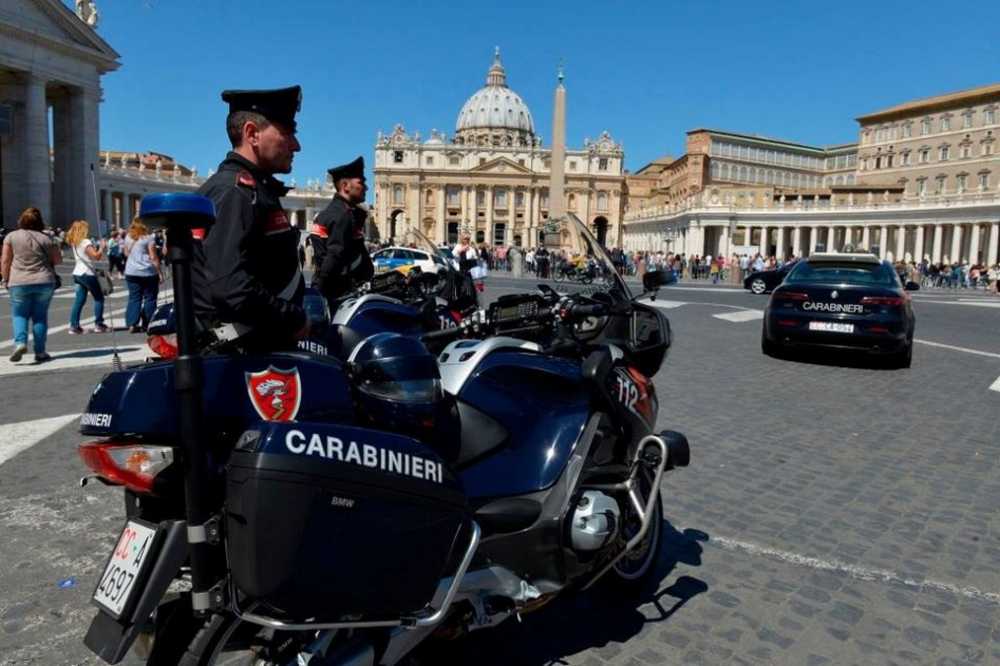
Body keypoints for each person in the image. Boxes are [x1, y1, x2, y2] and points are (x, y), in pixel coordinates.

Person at [192, 85, 308, 351]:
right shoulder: (236, 192)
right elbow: (229, 285)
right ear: (252, 134)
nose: (296, 145)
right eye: (287, 133)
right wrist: (292, 317)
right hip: (244, 351)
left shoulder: (249, 190)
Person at [310, 156, 374, 304]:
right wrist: (318, 293)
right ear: (345, 186)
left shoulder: (335, 211)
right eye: (361, 182)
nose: (366, 187)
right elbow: (333, 257)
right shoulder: (342, 216)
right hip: (338, 293)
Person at [1, 207, 61, 362]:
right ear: (40, 221)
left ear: (21, 220)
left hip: (18, 281)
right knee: (40, 317)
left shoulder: (11, 236)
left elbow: (5, 260)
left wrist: (5, 278)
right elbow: (57, 260)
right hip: (44, 281)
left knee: (19, 314)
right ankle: (40, 352)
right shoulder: (47, 238)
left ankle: (20, 343)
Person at [66, 219, 109, 334]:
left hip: (77, 272)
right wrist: (102, 247)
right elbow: (96, 256)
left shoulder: (74, 242)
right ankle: (99, 324)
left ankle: (74, 326)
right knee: (99, 297)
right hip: (87, 272)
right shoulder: (85, 242)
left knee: (79, 300)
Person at [123, 218, 161, 333]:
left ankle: (132, 324)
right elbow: (153, 257)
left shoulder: (128, 237)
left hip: (131, 271)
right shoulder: (148, 238)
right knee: (150, 298)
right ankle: (148, 323)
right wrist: (159, 271)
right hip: (148, 272)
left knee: (134, 298)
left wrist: (135, 258)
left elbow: (125, 253)